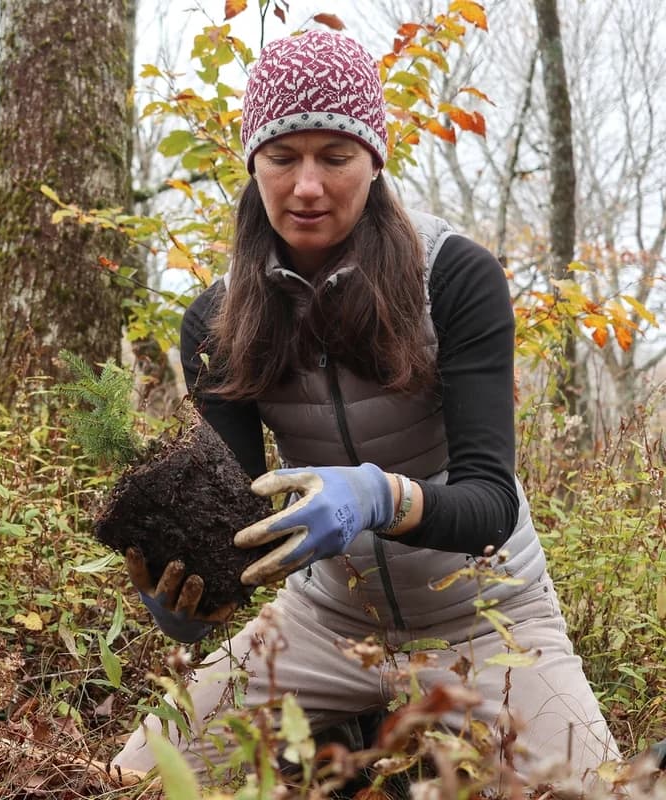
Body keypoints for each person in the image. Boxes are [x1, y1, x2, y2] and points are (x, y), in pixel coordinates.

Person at [111, 29, 621, 782]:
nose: (307, 186)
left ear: (375, 162)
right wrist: (192, 595)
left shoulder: (453, 277)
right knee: (137, 782)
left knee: (604, 793)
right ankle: (352, 731)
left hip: (487, 619)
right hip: (325, 622)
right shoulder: (216, 320)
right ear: (253, 163)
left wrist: (378, 495)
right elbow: (240, 522)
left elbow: (489, 505)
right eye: (283, 157)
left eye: (335, 157)